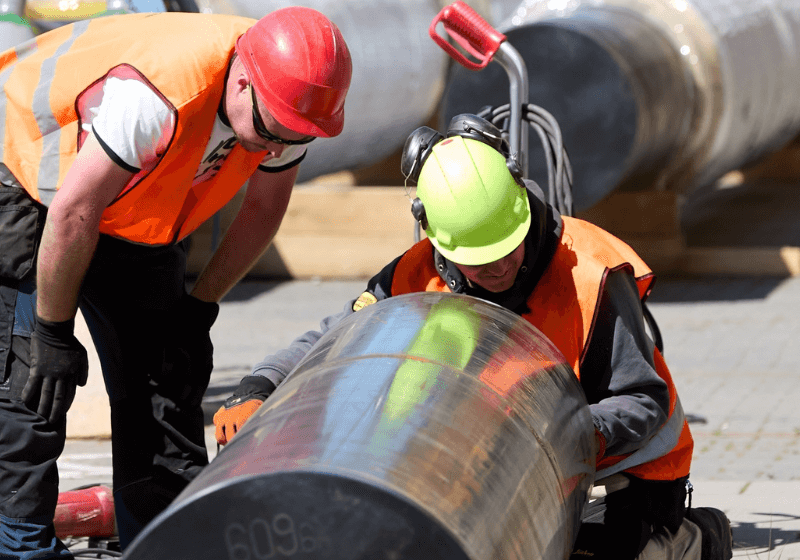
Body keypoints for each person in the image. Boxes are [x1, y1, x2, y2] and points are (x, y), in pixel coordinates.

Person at [215, 114, 733, 560]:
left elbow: (643, 400)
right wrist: (262, 383)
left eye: (510, 245)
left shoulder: (590, 273)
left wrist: (563, 432)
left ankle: (692, 540)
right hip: (500, 461)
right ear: (437, 241)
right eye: (480, 260)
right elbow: (339, 340)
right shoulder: (415, 277)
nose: (502, 266)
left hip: (625, 464)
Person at [0, 6, 352, 557]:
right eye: (270, 133)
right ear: (242, 83)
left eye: (294, 137)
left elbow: (263, 210)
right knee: (31, 382)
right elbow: (74, 210)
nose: (278, 148)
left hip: (124, 202)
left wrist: (198, 310)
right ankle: (20, 549)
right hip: (25, 168)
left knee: (168, 378)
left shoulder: (290, 102)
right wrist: (50, 331)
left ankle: (169, 543)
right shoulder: (156, 97)